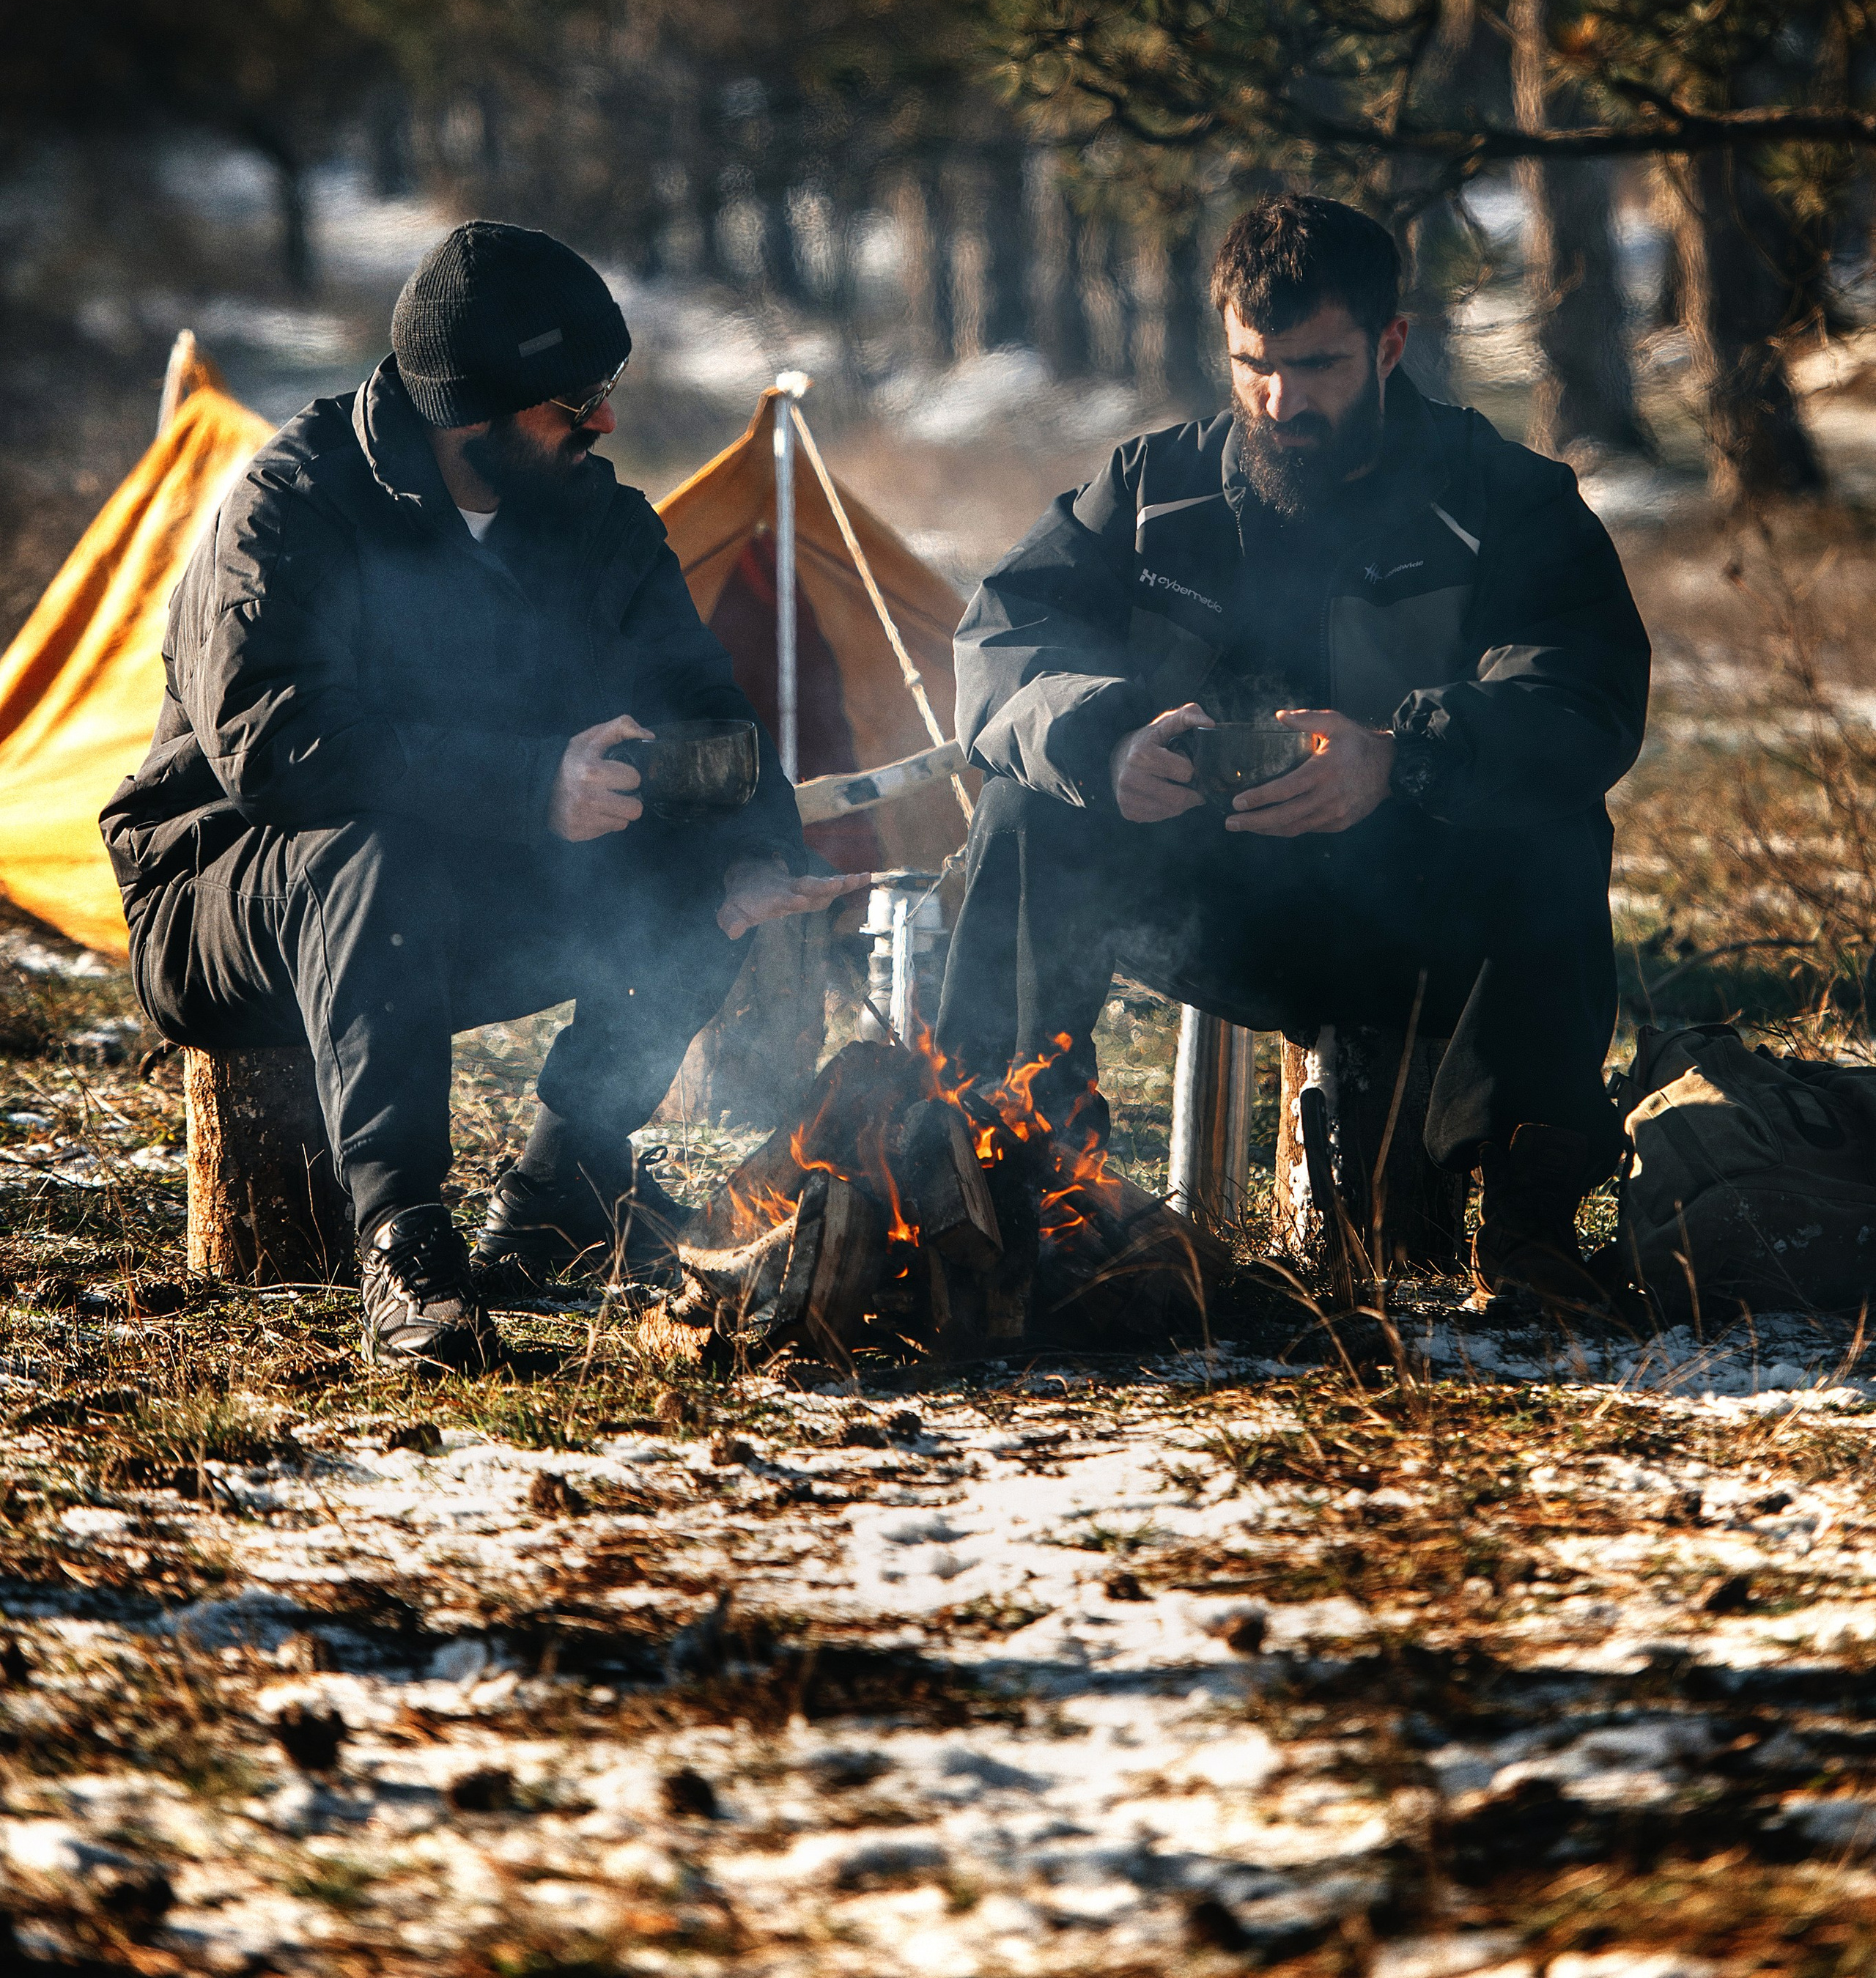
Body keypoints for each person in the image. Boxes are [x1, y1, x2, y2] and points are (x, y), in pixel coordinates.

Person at [101, 221, 865, 1373]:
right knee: (368, 841)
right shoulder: (289, 507)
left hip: (452, 894)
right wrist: (528, 784)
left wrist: (751, 855)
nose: (601, 422)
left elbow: (705, 712)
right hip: (228, 895)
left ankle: (567, 1174)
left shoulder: (598, 525)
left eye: (602, 393)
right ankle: (406, 1247)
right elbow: (278, 750)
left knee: (693, 863)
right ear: (470, 409)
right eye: (571, 403)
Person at [931, 193, 1650, 1308]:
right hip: (1218, 910)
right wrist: (1106, 739)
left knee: (1551, 815)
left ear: (1390, 344)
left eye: (1316, 365)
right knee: (1029, 804)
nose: (1282, 399)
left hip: (1421, 909)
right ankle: (1008, 1189)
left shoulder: (1506, 498)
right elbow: (1002, 643)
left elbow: (1586, 689)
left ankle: (1528, 1223)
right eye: (1254, 364)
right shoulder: (1150, 489)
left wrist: (1401, 755)